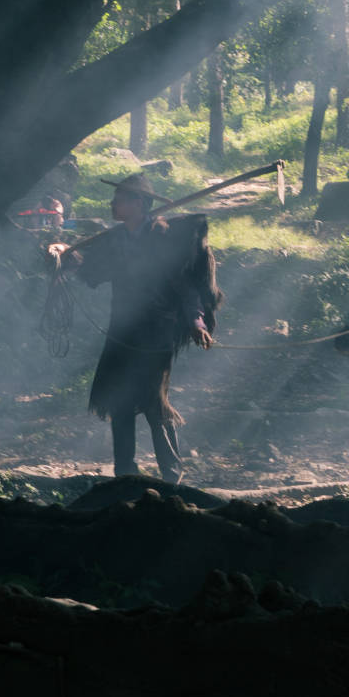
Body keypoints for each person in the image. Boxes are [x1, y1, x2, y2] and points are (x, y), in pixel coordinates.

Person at [49, 173, 219, 483]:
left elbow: (186, 288)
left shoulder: (162, 239)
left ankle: (171, 477)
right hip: (121, 329)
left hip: (155, 332)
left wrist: (196, 323)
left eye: (119, 199)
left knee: (155, 401)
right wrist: (64, 254)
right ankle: (125, 474)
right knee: (119, 400)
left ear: (138, 204)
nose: (112, 203)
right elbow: (92, 267)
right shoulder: (116, 239)